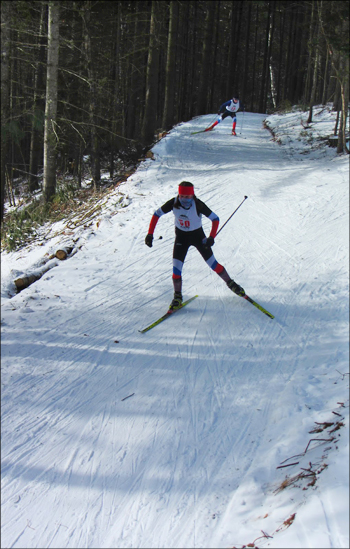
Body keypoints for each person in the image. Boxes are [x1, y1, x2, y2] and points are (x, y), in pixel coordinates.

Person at [145, 181, 245, 310]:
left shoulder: (198, 204)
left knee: (213, 264)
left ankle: (231, 283)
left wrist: (211, 237)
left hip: (198, 237)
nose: (184, 199)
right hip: (181, 238)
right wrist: (150, 234)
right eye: (182, 196)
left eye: (187, 196)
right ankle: (177, 297)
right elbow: (156, 214)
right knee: (176, 270)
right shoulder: (173, 203)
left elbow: (215, 219)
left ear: (192, 195)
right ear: (178, 194)